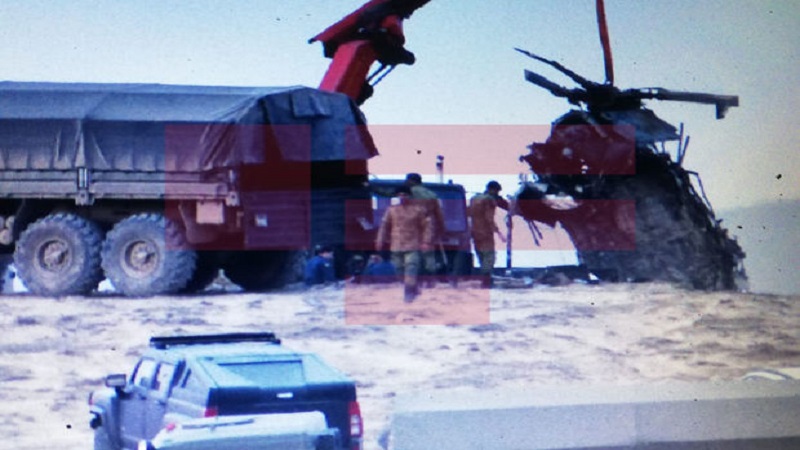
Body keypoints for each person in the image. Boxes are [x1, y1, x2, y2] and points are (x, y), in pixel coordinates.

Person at [375, 185, 433, 302]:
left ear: (410, 196)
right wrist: (380, 240)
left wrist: (426, 241)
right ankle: (413, 287)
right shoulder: (391, 210)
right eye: (400, 195)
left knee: (411, 268)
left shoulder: (418, 210)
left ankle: (408, 293)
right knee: (398, 270)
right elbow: (384, 226)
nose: (402, 197)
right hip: (396, 245)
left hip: (413, 245)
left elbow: (427, 227)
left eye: (405, 195)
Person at [404, 173, 445, 284]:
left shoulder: (408, 193)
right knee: (428, 253)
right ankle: (430, 279)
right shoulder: (432, 194)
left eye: (407, 180)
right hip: (428, 226)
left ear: (411, 181)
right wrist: (441, 228)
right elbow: (439, 214)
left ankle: (416, 278)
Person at [467, 181, 507, 288]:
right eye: (497, 191)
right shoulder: (489, 200)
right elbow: (489, 218)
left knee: (481, 256)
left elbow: (468, 213)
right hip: (485, 233)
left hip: (474, 232)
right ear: (493, 190)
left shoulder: (474, 199)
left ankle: (484, 279)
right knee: (489, 257)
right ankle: (486, 281)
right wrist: (499, 233)